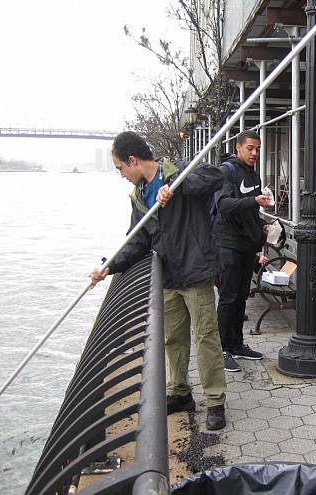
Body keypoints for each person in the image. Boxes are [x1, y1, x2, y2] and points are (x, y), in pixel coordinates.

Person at [89, 131, 228, 431]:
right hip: (168, 276)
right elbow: (137, 241)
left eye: (120, 168)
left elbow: (215, 177)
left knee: (206, 336)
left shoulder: (178, 170)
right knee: (173, 338)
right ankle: (180, 392)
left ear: (133, 160)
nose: (121, 175)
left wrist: (177, 186)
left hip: (196, 270)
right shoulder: (139, 197)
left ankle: (215, 400)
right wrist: (108, 267)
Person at [212, 130, 273, 373]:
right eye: (250, 148)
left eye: (258, 149)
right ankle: (221, 350)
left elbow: (251, 213)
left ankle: (236, 344)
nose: (255, 153)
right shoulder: (226, 171)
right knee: (227, 297)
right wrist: (253, 202)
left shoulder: (253, 175)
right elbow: (223, 205)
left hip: (248, 245)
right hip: (228, 243)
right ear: (238, 147)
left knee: (240, 296)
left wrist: (262, 225)